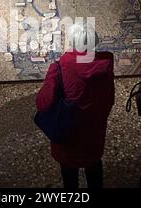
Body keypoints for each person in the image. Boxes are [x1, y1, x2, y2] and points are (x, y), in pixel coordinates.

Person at [36, 22, 115, 189]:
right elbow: (109, 99)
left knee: (69, 173)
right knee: (93, 166)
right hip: (94, 130)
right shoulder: (106, 63)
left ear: (72, 42)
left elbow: (43, 103)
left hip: (68, 131)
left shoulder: (59, 66)